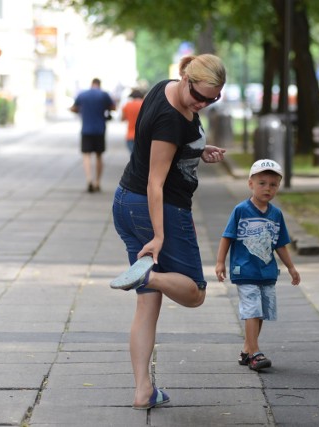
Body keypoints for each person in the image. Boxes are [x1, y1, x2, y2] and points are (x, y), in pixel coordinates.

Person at [109, 54, 227, 410]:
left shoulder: (164, 88)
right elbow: (155, 183)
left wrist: (196, 150)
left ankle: (143, 390)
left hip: (125, 202)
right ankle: (147, 277)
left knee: (147, 306)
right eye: (200, 96)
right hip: (157, 208)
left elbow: (154, 151)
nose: (203, 104)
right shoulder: (171, 121)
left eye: (212, 100)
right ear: (186, 78)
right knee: (195, 293)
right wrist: (159, 237)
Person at [215, 159, 300, 371]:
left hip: (266, 271)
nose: (267, 188)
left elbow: (280, 244)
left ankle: (246, 350)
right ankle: (255, 353)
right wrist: (220, 262)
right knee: (252, 310)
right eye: (262, 183)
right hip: (244, 270)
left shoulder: (276, 214)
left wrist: (291, 267)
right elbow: (227, 237)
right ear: (250, 183)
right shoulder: (241, 210)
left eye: (273, 184)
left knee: (260, 312)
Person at [70, 78, 116, 193]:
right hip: (100, 130)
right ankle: (97, 182)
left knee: (86, 155)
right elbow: (113, 107)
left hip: (86, 129)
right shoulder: (104, 95)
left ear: (91, 84)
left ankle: (89, 179)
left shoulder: (83, 95)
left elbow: (74, 108)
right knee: (99, 156)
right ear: (99, 85)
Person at [121, 88, 144, 153]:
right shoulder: (145, 104)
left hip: (130, 135)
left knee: (133, 157)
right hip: (142, 135)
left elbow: (122, 118)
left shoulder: (127, 105)